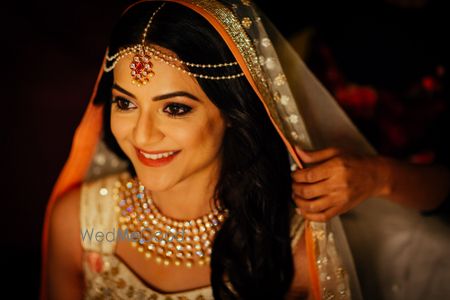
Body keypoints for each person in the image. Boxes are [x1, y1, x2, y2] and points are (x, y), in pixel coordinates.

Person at [40, 1, 449, 300]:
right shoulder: (80, 223)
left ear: (233, 113)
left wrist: (376, 176)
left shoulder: (292, 237)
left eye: (176, 108)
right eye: (125, 103)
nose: (143, 135)